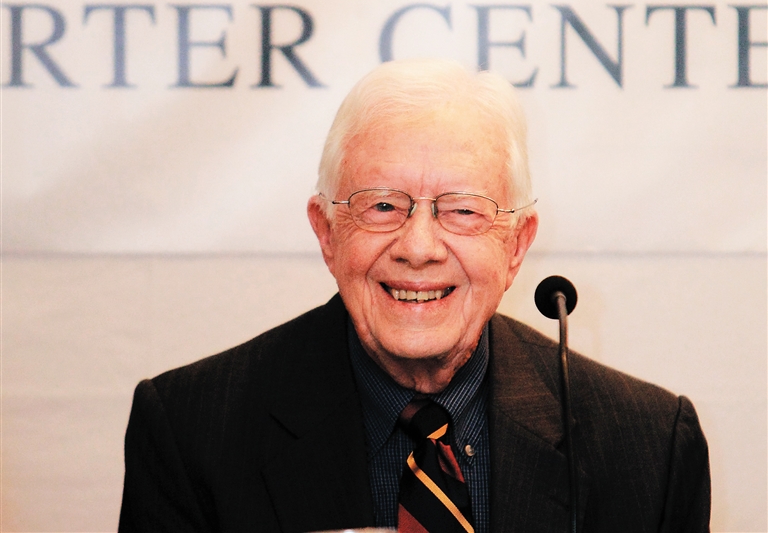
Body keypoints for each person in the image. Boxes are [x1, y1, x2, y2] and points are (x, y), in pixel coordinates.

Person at [118, 59, 710, 533]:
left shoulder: (649, 447)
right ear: (327, 233)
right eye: (382, 205)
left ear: (516, 245)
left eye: (462, 210)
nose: (419, 248)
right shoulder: (191, 431)